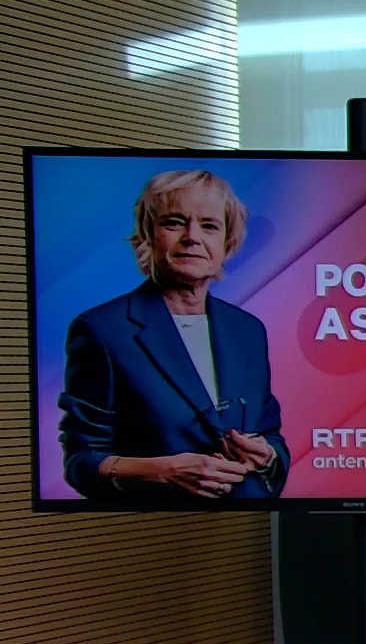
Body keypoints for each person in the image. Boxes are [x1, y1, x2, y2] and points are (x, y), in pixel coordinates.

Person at [58, 168, 289, 502]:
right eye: (174, 222)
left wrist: (266, 457)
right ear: (148, 235)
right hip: (156, 522)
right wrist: (163, 471)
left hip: (243, 521)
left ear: (227, 242)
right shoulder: (102, 329)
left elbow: (271, 435)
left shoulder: (248, 330)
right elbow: (81, 462)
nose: (192, 237)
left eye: (209, 226)